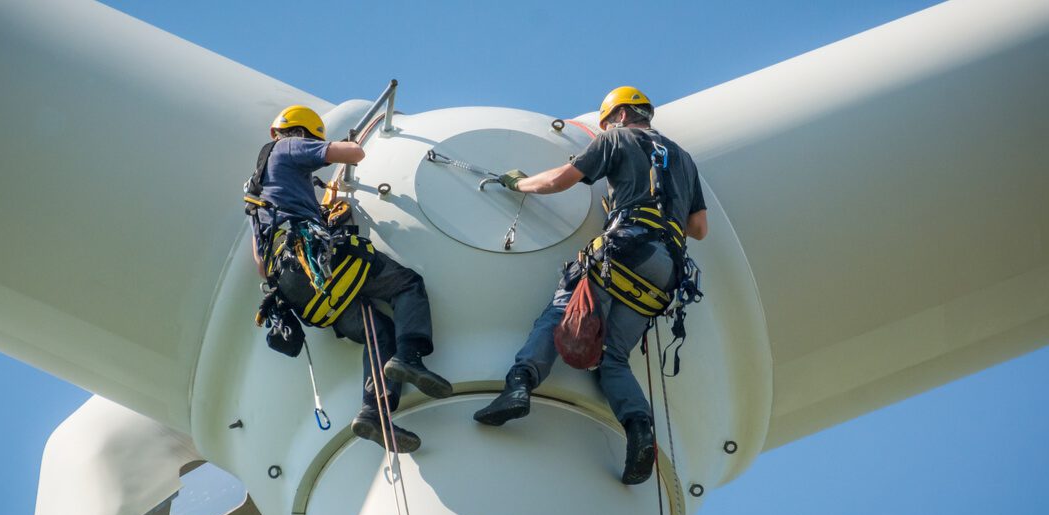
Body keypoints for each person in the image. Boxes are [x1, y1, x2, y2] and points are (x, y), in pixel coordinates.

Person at [472, 87, 708, 484]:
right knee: (613, 358)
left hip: (624, 247)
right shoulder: (683, 160)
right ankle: (639, 430)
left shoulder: (616, 139)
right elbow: (699, 228)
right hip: (666, 271)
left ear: (617, 116)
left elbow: (562, 181)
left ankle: (519, 386)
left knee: (560, 314)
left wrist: (519, 185)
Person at [246, 105, 453, 453]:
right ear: (302, 133)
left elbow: (261, 266)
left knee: (377, 329)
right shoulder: (289, 147)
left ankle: (374, 413)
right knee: (406, 284)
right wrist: (341, 146)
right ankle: (410, 357)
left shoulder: (256, 193)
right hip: (318, 260)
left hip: (296, 286)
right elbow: (352, 152)